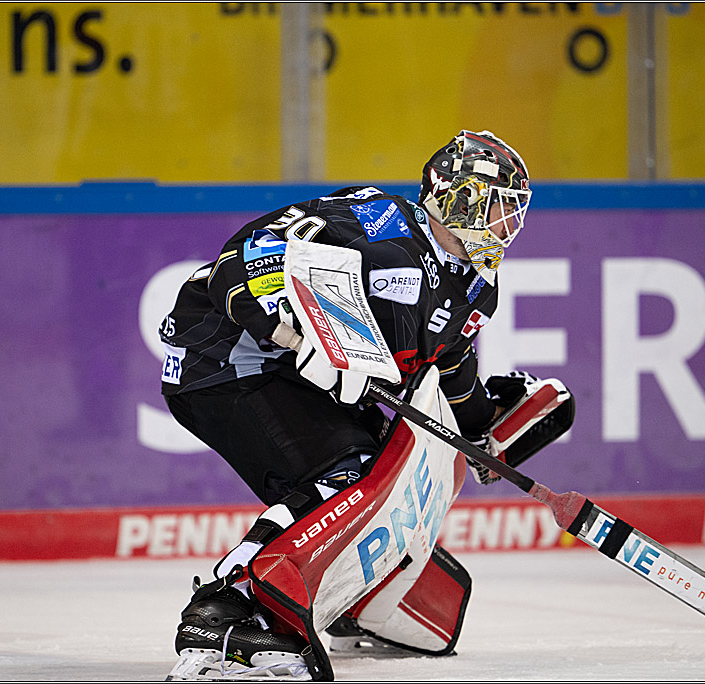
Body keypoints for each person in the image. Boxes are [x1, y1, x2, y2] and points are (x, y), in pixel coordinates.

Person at [159, 130, 572, 681]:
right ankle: (226, 607)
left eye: (513, 212)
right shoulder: (380, 220)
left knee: (370, 465)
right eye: (495, 206)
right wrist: (289, 330)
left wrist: (477, 423)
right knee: (345, 473)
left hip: (297, 377)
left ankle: (347, 589)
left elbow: (449, 365)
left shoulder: (475, 285)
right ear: (456, 196)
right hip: (225, 357)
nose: (505, 225)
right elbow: (242, 260)